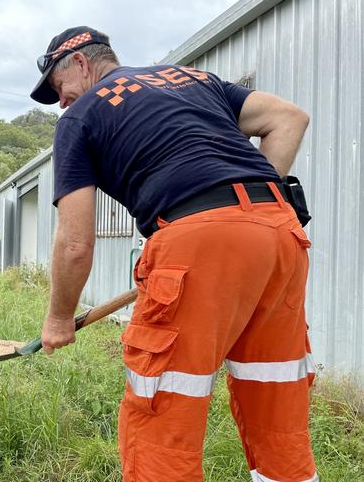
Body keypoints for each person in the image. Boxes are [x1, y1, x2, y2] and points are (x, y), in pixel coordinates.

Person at [32, 26, 317, 482]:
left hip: (195, 239)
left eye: (58, 89)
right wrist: (249, 208)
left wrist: (59, 319)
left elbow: (75, 242)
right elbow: (290, 118)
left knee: (162, 408)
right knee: (276, 392)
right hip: (280, 233)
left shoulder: (82, 116)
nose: (62, 102)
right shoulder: (193, 79)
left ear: (81, 64)